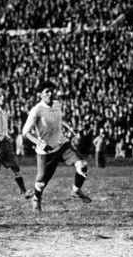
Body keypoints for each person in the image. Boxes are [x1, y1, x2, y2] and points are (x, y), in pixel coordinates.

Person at [21, 81, 92, 212]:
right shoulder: (36, 110)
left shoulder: (57, 104)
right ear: (40, 94)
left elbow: (59, 119)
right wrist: (40, 143)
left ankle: (76, 190)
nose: (50, 93)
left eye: (51, 90)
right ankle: (36, 198)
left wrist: (70, 128)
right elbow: (25, 132)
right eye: (47, 91)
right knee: (41, 182)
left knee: (82, 165)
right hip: (46, 151)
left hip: (62, 144)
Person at [0, 88, 30, 196]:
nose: (3, 97)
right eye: (0, 96)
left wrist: (7, 134)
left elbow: (3, 128)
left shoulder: (5, 111)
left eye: (3, 95)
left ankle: (23, 191)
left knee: (15, 166)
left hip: (6, 143)